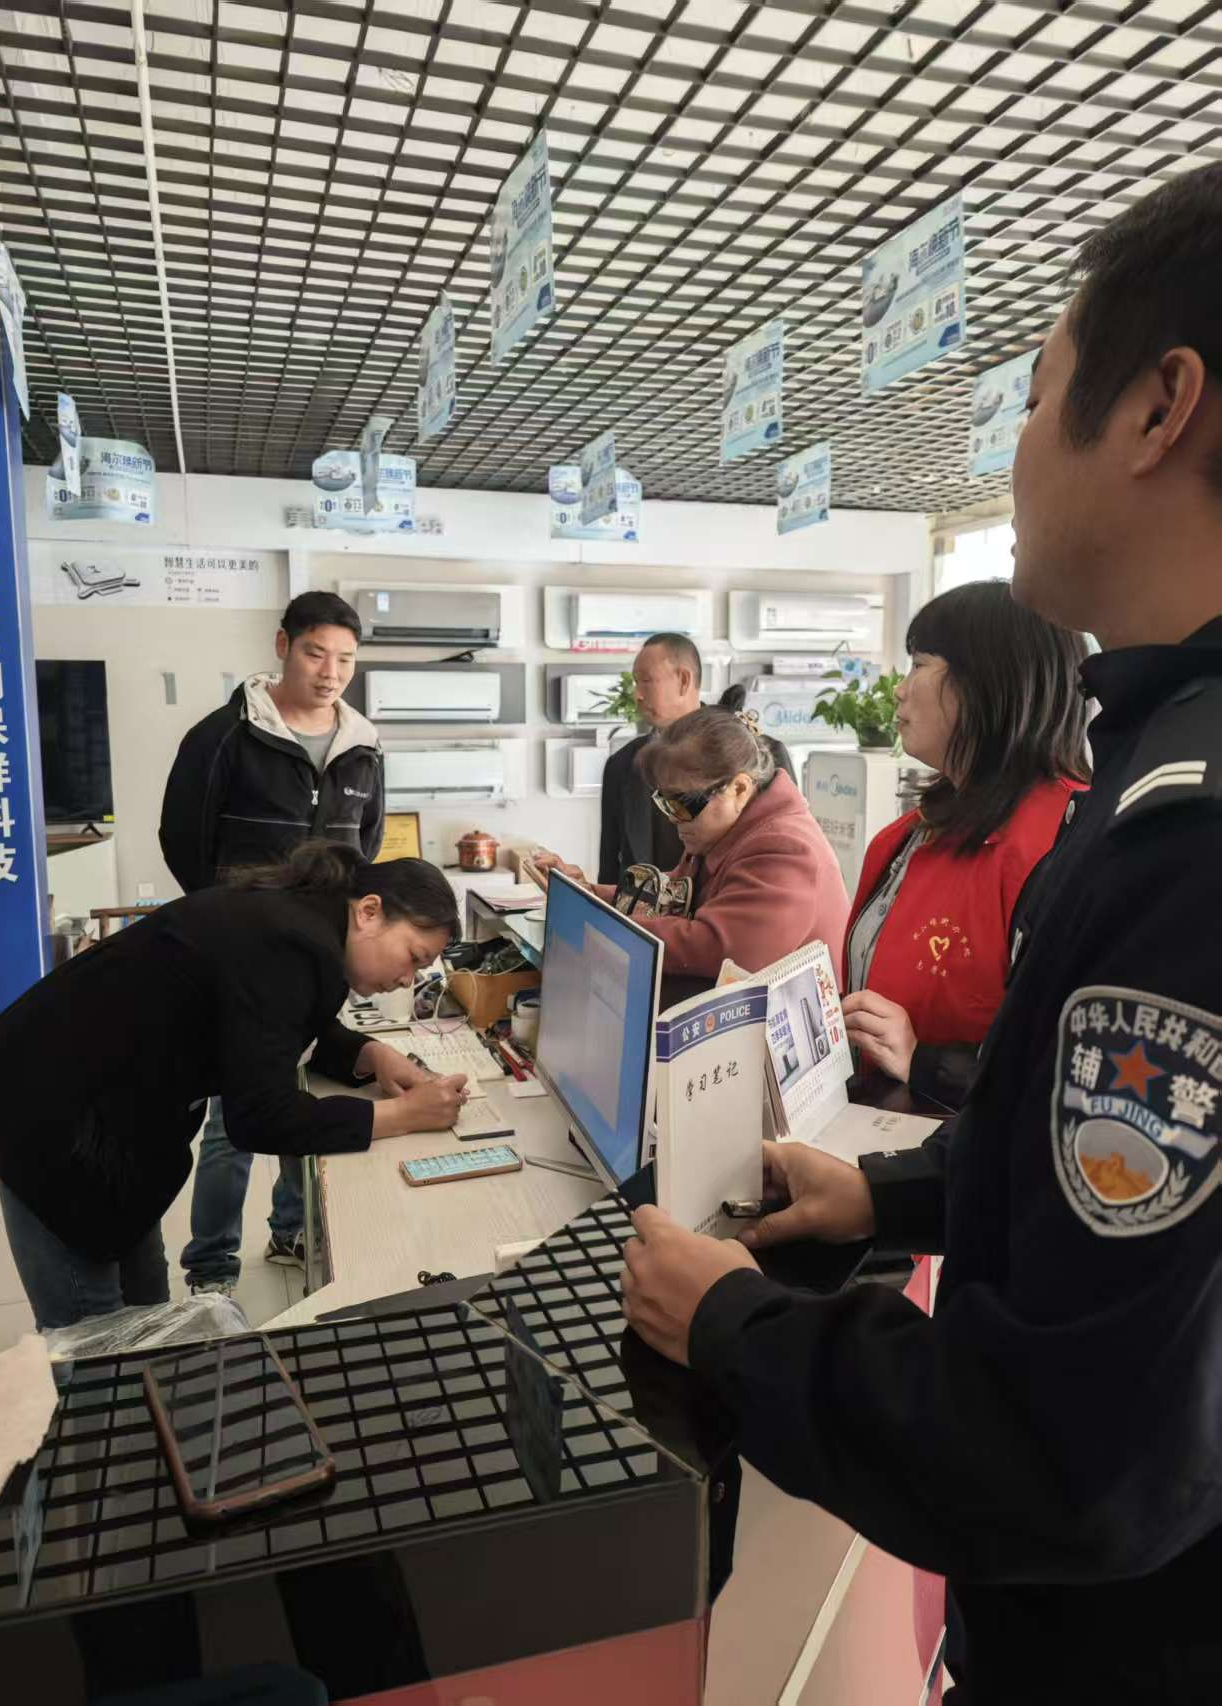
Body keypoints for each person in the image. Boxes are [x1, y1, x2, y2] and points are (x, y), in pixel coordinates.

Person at [620, 161, 1222, 1701]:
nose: (1007, 449)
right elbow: (1095, 1166)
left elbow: (1068, 1446)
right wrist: (884, 1193)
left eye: (1034, 396)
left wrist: (732, 1325)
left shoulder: (1184, 834)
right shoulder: (1150, 763)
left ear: (1158, 408)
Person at [0, 843, 466, 1332]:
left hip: (110, 1110)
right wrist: (403, 1116)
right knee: (95, 1336)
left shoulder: (305, 919)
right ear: (369, 911)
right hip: (45, 1109)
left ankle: (143, 1390)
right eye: (414, 957)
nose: (408, 980)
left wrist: (370, 1055)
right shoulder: (292, 941)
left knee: (146, 1309)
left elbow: (275, 1020)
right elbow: (260, 1116)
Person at [159, 591, 384, 1294]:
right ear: (283, 646)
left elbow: (367, 847)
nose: (330, 672)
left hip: (318, 958)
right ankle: (210, 1270)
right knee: (231, 1120)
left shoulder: (363, 745)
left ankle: (291, 1229)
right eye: (316, 653)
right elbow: (182, 840)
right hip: (239, 961)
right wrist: (234, 924)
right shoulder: (224, 735)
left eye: (344, 659)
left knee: (302, 1093)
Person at [842, 580, 1090, 1111]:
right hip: (879, 1128)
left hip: (966, 1146)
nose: (899, 690)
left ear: (988, 681)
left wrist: (925, 1061)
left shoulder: (1066, 842)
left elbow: (1073, 1063)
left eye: (919, 664)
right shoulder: (905, 837)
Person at [536, 706, 847, 1000]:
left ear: (739, 788)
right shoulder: (725, 829)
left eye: (683, 804)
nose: (673, 818)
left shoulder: (787, 850)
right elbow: (671, 896)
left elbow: (717, 947)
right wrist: (589, 894)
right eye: (664, 803)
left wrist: (597, 921)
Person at [597, 633, 794, 884]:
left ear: (684, 680)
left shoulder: (763, 754)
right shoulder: (622, 764)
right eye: (636, 682)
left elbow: (784, 844)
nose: (637, 694)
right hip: (641, 908)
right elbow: (610, 871)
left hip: (733, 902)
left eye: (645, 681)